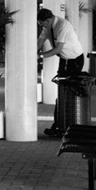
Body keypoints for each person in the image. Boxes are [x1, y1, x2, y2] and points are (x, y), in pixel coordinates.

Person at [37, 8, 85, 137]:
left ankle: (67, 126)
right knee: (61, 92)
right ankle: (59, 125)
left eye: (42, 24)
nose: (42, 26)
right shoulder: (47, 27)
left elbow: (58, 48)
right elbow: (40, 41)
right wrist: (33, 51)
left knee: (68, 93)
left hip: (74, 60)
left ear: (48, 20)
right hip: (64, 59)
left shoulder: (63, 25)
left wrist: (40, 56)